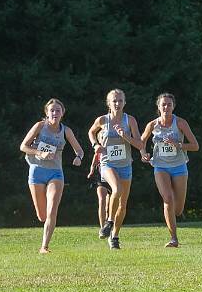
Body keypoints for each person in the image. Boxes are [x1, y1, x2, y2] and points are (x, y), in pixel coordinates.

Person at [20, 98, 84, 253]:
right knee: (42, 216)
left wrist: (78, 158)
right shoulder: (40, 126)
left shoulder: (66, 130)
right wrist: (39, 152)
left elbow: (79, 150)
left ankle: (44, 247)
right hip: (36, 172)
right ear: (47, 113)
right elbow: (23, 146)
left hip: (56, 173)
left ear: (62, 113)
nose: (55, 113)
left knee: (52, 210)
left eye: (58, 110)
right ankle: (45, 229)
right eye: (52, 110)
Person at [140, 93, 199, 247]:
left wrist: (178, 145)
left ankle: (175, 213)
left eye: (169, 105)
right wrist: (144, 154)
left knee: (178, 209)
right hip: (160, 166)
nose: (166, 107)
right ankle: (174, 238)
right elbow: (141, 142)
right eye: (163, 105)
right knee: (167, 198)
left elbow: (195, 146)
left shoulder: (180, 123)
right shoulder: (152, 125)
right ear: (158, 107)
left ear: (173, 106)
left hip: (179, 166)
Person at [88, 89, 143, 249]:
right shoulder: (102, 120)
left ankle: (115, 236)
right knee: (116, 189)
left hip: (125, 165)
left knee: (123, 205)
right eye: (114, 101)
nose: (117, 104)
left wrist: (125, 136)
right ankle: (109, 221)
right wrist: (95, 145)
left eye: (120, 101)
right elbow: (91, 132)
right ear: (109, 103)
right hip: (107, 163)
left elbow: (139, 145)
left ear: (125, 103)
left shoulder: (130, 120)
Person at [87, 151, 111, 233]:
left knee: (109, 205)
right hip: (101, 178)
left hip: (113, 177)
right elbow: (94, 162)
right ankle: (102, 228)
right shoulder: (99, 149)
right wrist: (91, 171)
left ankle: (109, 223)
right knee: (101, 200)